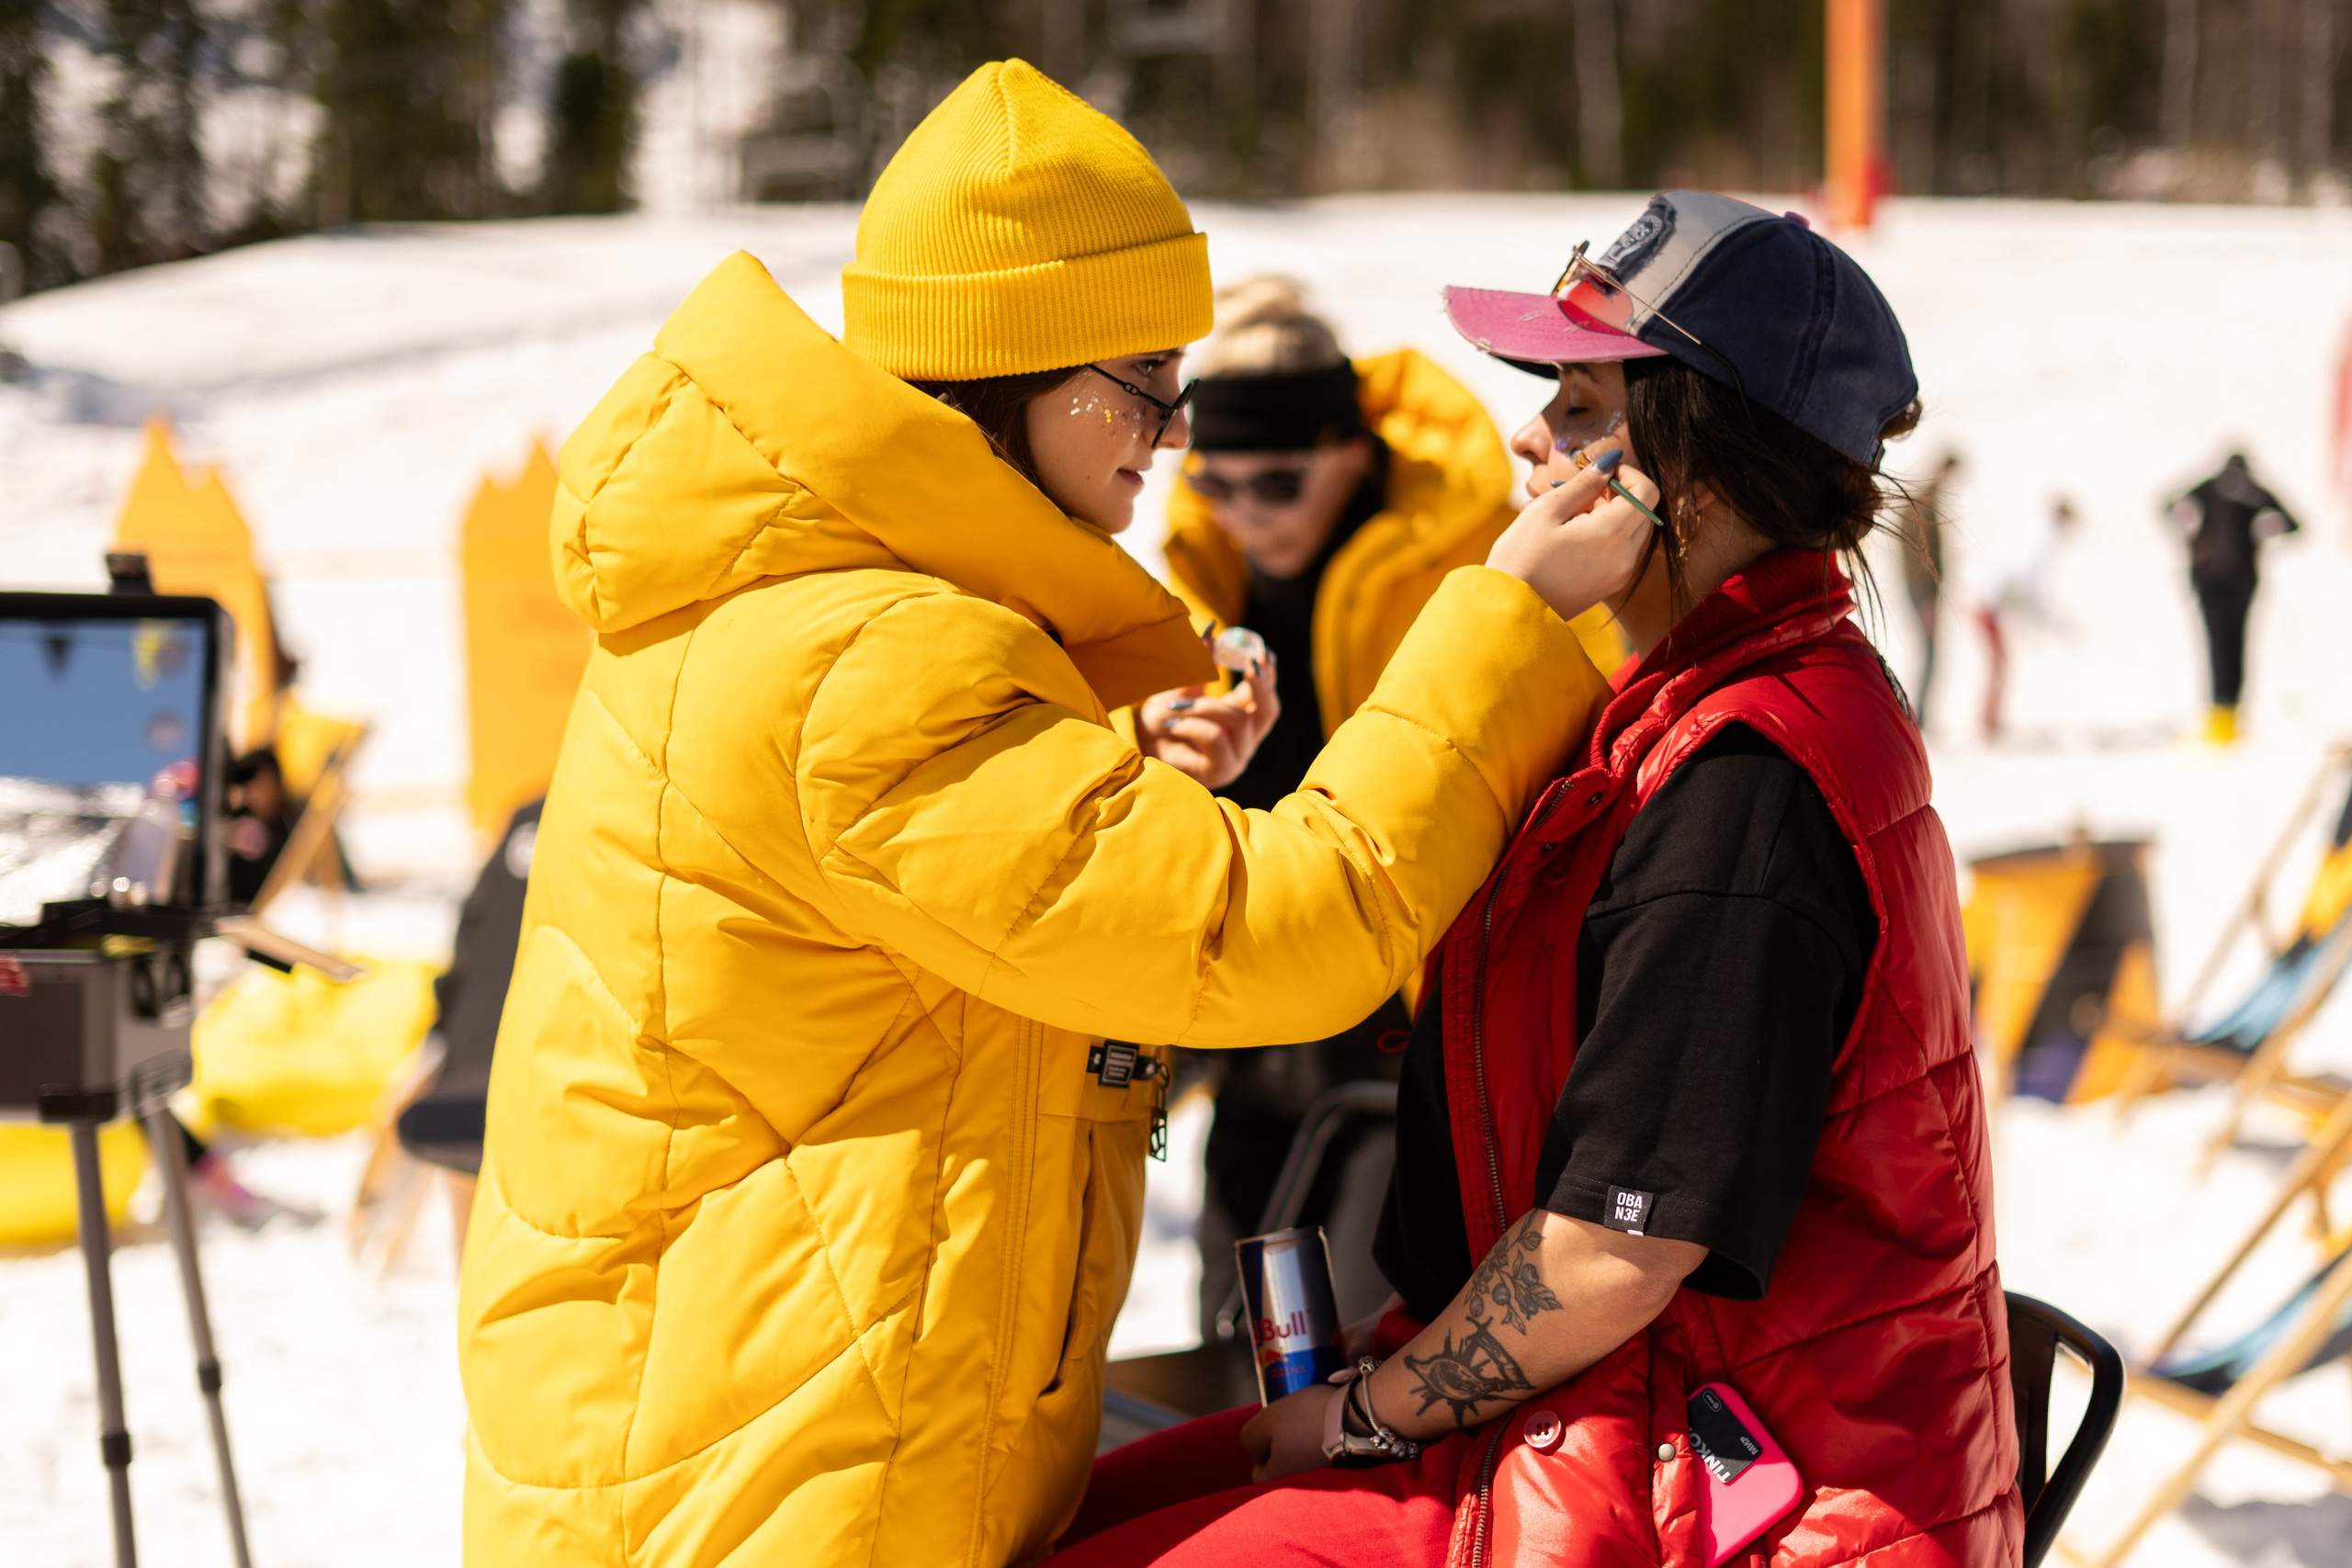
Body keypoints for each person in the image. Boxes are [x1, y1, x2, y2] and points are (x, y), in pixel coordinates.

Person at [457, 61, 1645, 1568]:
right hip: (776, 1489)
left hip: (779, 1445)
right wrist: (1511, 620)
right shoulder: (868, 660)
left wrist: (1093, 761)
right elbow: (1279, 933)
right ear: (1023, 376)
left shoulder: (838, 609)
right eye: (1150, 383)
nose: (1173, 435)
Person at [1057, 193, 2014, 1567]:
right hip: (1606, 1415)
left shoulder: (1751, 776)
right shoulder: (1673, 704)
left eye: (1578, 405)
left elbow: (1617, 1249)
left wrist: (1369, 1415)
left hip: (1717, 1478)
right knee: (1060, 1506)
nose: (1526, 436)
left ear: (1701, 465)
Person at [1141, 277, 1632, 1337]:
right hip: (1260, 1047)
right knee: (1250, 1347)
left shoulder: (1477, 564)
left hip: (1401, 1046)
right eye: (1218, 485)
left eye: (1276, 482)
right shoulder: (1198, 584)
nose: (1245, 513)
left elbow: (1601, 727)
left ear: (1349, 455)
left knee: (1356, 1340)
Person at [2171, 452, 2301, 744]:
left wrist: (2267, 530)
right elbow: (2168, 504)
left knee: (2231, 645)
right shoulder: (2215, 490)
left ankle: (2228, 718)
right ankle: (2221, 717)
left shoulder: (2249, 495)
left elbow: (2294, 524)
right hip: (2214, 582)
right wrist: (2190, 533)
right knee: (2222, 645)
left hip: (2237, 582)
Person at [1971, 493, 2078, 741]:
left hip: (1985, 597)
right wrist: (2041, 619)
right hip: (1985, 600)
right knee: (1998, 663)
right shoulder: (2043, 536)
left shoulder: (2034, 528)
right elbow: (2026, 580)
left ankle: (1990, 721)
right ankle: (1987, 724)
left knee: (1998, 662)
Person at [1894, 448, 1958, 721]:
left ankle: (1919, 714)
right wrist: (1926, 599)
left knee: (1928, 652)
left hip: (1923, 593)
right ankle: (1916, 716)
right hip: (1922, 594)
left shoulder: (1923, 502)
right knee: (1928, 653)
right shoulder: (1922, 506)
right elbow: (1919, 560)